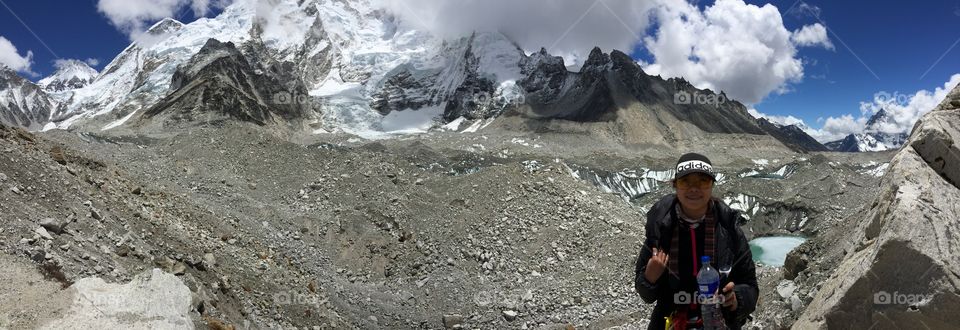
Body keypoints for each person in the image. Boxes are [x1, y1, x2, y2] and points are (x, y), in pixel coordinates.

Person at [634, 153, 758, 329]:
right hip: (670, 321)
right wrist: (649, 277)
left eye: (703, 181)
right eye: (686, 181)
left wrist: (737, 298)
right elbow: (646, 295)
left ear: (712, 185)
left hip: (719, 322)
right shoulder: (659, 230)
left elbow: (750, 286)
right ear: (675, 185)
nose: (694, 188)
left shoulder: (729, 230)